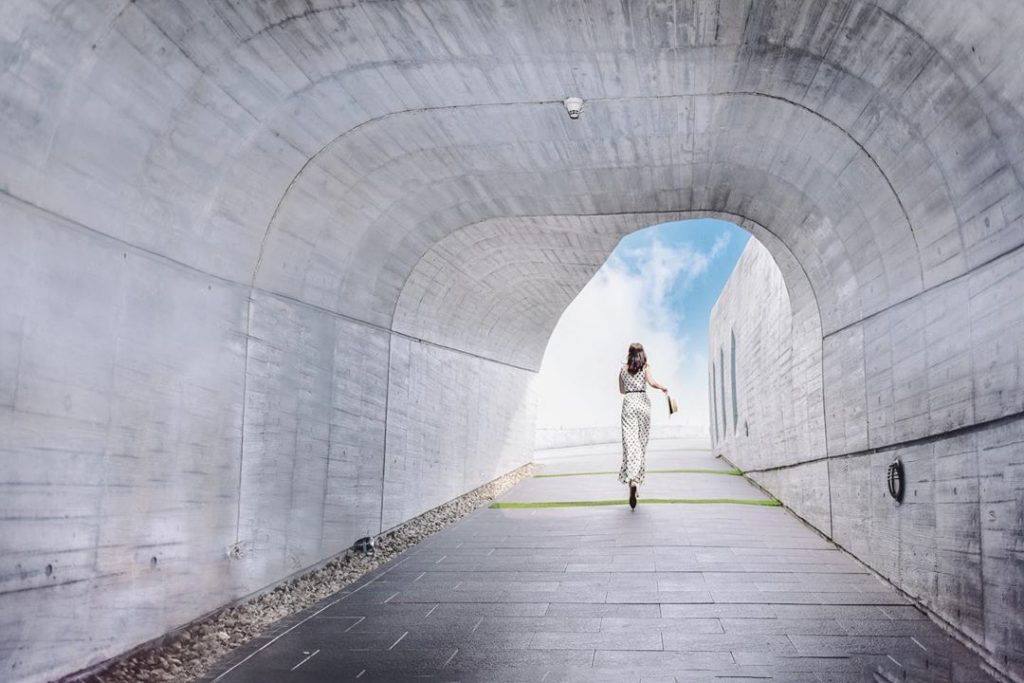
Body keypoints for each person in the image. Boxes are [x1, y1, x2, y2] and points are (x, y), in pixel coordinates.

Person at [618, 342, 669, 509]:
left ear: (629, 354)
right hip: (643, 403)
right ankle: (636, 481)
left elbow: (621, 390)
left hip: (629, 403)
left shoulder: (623, 369)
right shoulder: (645, 367)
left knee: (630, 444)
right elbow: (652, 382)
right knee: (641, 443)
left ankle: (632, 482)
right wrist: (663, 387)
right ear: (642, 354)